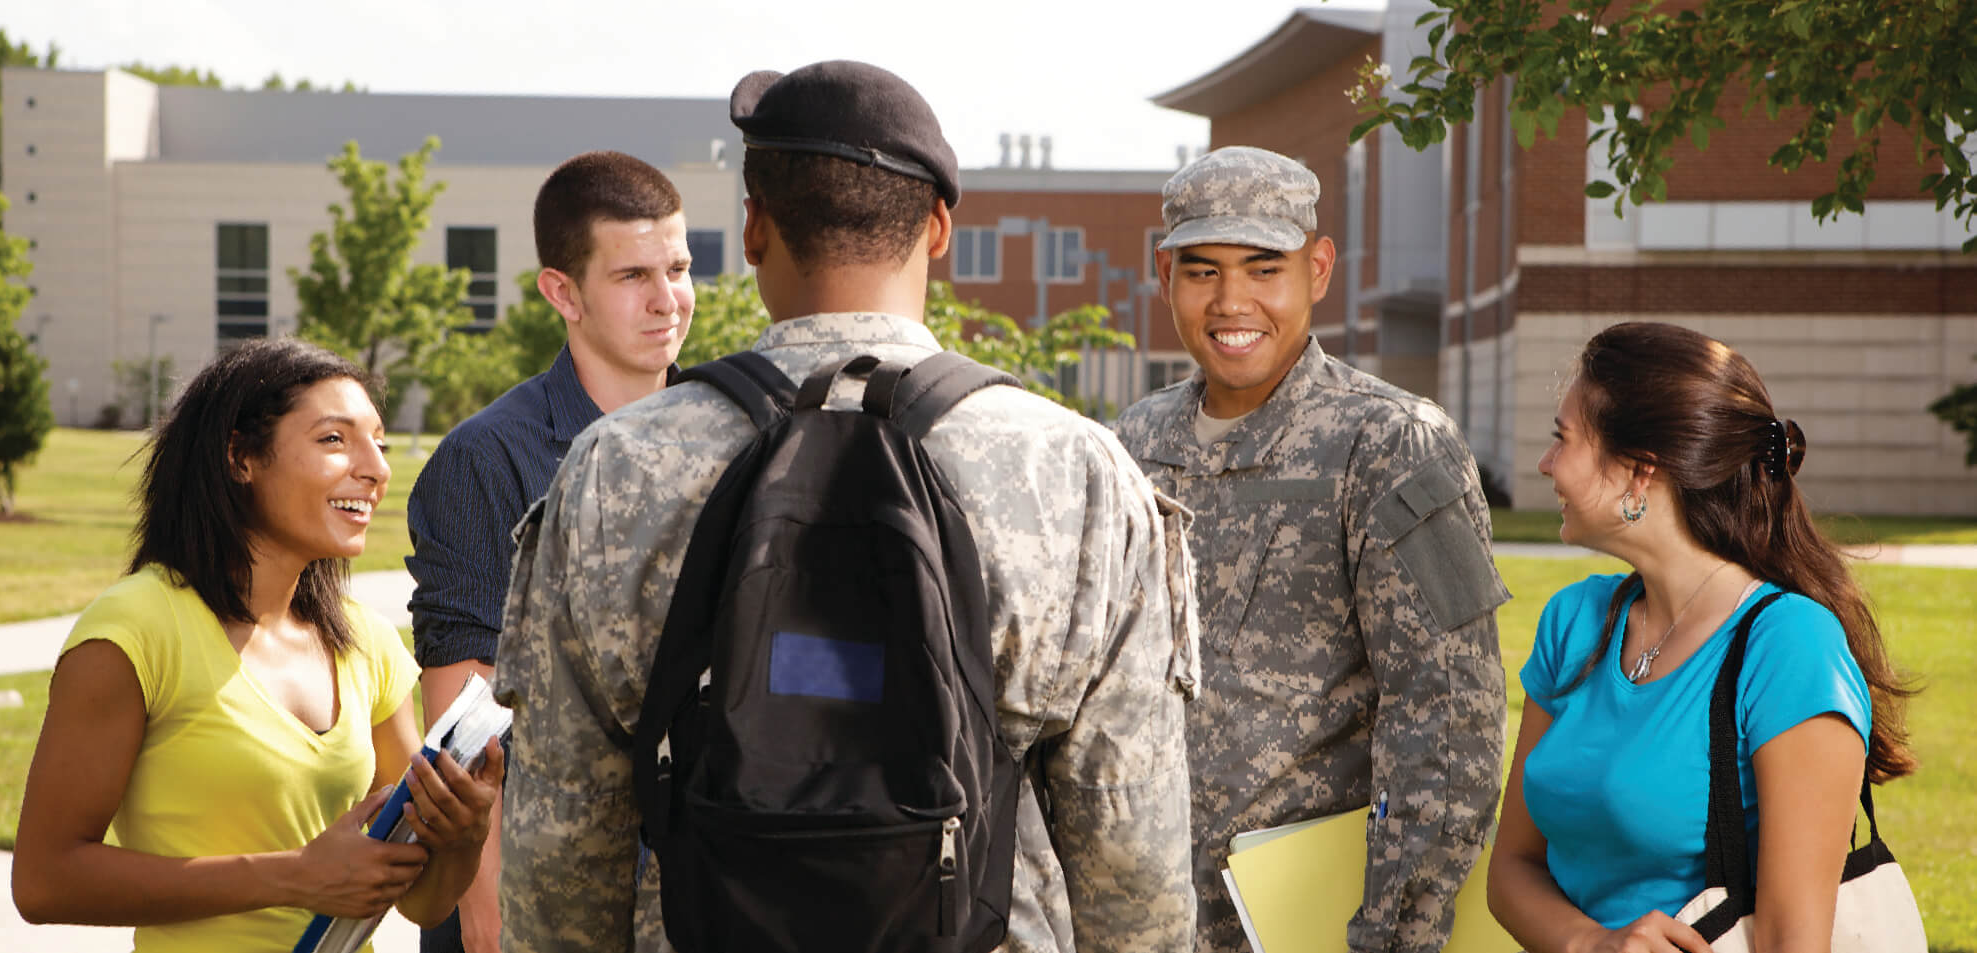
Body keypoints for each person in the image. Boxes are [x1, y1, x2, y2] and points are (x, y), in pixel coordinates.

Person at [496, 59, 1200, 953]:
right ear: (939, 227)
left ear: (753, 228)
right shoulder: (1076, 470)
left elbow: (562, 845)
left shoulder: (616, 465)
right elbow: (1131, 855)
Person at [1114, 145, 1509, 953]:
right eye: (1201, 271)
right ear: (1164, 275)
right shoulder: (1133, 440)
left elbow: (1446, 718)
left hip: (1307, 925)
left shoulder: (1394, 442)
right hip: (1143, 920)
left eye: (1264, 268)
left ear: (1318, 268)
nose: (1231, 301)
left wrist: (1394, 934)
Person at [11, 339, 503, 952]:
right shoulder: (135, 631)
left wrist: (464, 831)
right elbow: (44, 881)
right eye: (334, 439)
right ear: (241, 457)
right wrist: (293, 877)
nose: (375, 468)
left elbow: (425, 902)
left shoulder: (367, 643)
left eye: (379, 441)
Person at [1487, 321, 1917, 953]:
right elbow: (1511, 871)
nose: (1546, 463)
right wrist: (1594, 944)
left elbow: (1790, 943)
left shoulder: (1789, 646)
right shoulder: (1572, 623)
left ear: (1639, 471)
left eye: (1564, 439)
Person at [404, 149, 694, 953]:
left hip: (699, 892)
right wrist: (486, 901)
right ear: (562, 291)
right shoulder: (485, 460)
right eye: (633, 275)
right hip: (542, 897)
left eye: (678, 266)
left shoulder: (740, 440)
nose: (667, 300)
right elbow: (466, 713)